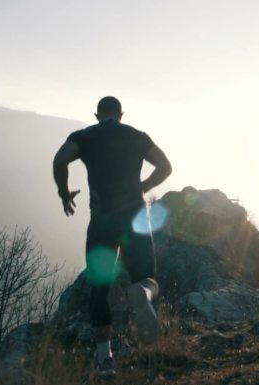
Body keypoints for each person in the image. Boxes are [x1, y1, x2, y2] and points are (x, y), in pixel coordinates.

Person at [52, 96, 172, 377]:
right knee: (148, 278)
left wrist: (64, 193)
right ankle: (141, 292)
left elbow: (60, 160)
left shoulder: (83, 136)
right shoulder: (137, 136)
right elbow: (165, 166)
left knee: (99, 289)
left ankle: (105, 360)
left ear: (97, 115)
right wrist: (143, 186)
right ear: (121, 114)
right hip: (133, 219)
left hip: (102, 222)